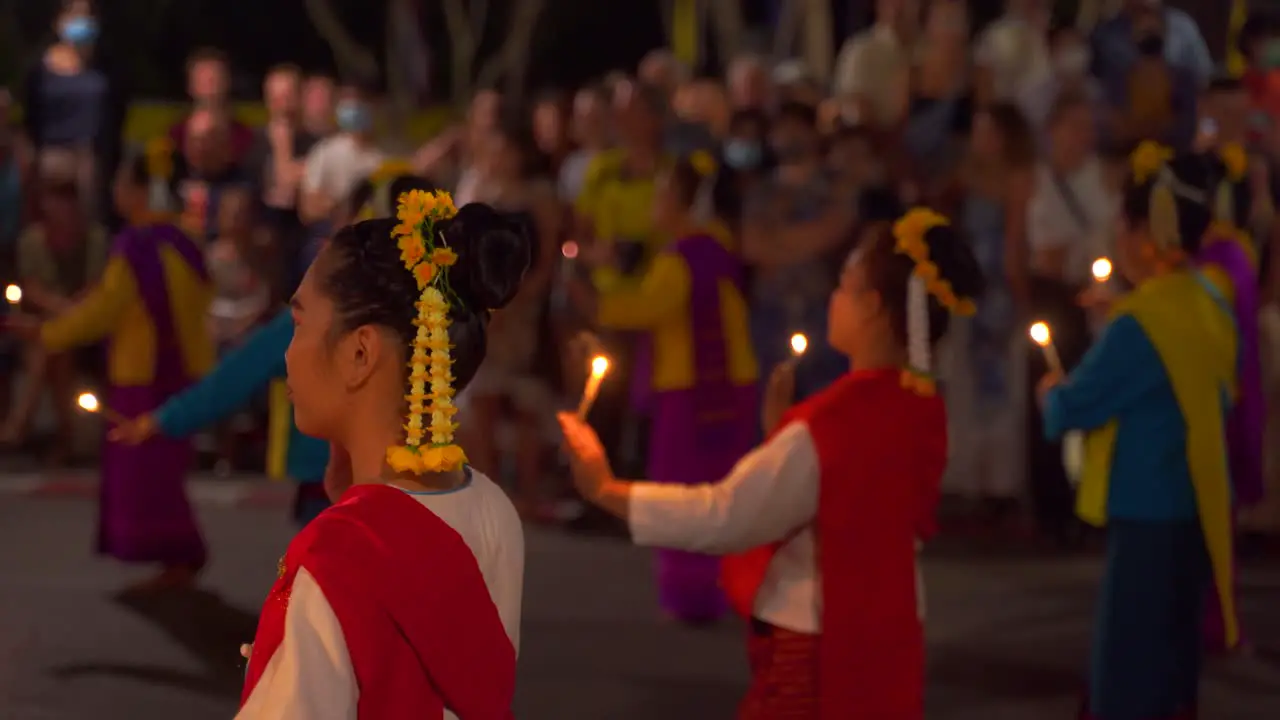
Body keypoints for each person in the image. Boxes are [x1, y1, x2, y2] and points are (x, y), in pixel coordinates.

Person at [559, 207, 983, 717]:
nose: (834, 299)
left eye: (844, 287)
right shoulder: (922, 407)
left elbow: (727, 515)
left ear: (872, 308)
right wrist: (781, 435)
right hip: (890, 637)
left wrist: (608, 489)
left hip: (817, 652)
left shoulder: (831, 423)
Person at [237, 191, 526, 717]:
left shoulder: (337, 557)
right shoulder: (492, 509)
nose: (287, 354)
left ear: (360, 353)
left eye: (299, 325)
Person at [1037, 143, 1237, 719]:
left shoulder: (1140, 326)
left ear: (1143, 233)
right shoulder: (1208, 300)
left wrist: (1053, 395)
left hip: (1144, 513)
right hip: (1196, 506)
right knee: (1174, 657)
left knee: (1128, 662)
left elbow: (1077, 406)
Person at [10, 152, 214, 590]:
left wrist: (44, 334)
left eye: (123, 183)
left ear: (141, 192)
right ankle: (179, 560)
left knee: (147, 478)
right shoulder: (186, 242)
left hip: (141, 377)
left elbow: (102, 312)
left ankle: (181, 559)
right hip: (183, 374)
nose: (117, 192)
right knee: (162, 473)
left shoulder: (135, 247)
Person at [570, 153, 758, 624]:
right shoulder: (714, 247)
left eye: (663, 193)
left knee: (681, 489)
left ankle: (694, 593)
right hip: (730, 385)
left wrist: (594, 298)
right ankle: (723, 585)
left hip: (691, 391)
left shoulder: (682, 259)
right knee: (720, 489)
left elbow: (643, 308)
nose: (655, 202)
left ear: (684, 203)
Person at [1195, 145, 1265, 654]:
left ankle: (1214, 618)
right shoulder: (1233, 252)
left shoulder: (1218, 260)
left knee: (1211, 522)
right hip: (1227, 400)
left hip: (1217, 403)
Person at [22, 0, 129, 227]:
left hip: (90, 156)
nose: (82, 20)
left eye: (88, 14)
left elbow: (117, 115)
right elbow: (30, 115)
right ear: (58, 21)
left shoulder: (106, 67)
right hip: (50, 155)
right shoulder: (38, 69)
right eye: (74, 14)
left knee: (90, 219)